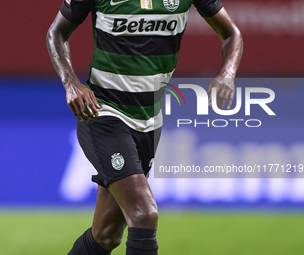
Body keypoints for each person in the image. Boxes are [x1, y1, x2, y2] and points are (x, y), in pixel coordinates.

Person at [46, 0, 243, 254]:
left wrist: (227, 72)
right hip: (103, 111)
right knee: (144, 214)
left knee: (106, 234)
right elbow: (57, 32)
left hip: (149, 120)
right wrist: (70, 82)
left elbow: (231, 33)